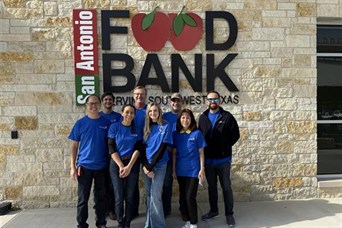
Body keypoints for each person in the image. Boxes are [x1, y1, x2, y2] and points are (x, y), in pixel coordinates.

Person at [198, 90, 240, 227]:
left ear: (219, 101)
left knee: (226, 187)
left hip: (223, 161)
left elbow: (235, 135)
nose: (213, 102)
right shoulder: (203, 117)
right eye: (210, 99)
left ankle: (229, 214)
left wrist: (225, 147)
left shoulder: (227, 117)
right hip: (209, 161)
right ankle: (214, 210)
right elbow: (200, 137)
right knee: (212, 187)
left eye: (215, 99)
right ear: (206, 102)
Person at [69, 95, 111, 228]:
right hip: (84, 166)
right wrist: (72, 166)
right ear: (86, 105)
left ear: (100, 105)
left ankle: (101, 223)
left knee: (101, 198)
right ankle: (81, 224)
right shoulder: (80, 123)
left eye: (96, 103)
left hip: (102, 167)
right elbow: (74, 146)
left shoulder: (106, 123)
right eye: (91, 103)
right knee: (82, 199)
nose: (93, 106)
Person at [108, 104, 142, 228]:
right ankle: (120, 222)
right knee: (119, 195)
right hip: (116, 163)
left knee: (130, 194)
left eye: (132, 112)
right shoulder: (114, 127)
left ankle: (127, 222)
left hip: (132, 163)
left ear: (134, 115)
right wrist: (122, 166)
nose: (129, 115)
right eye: (127, 112)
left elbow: (138, 148)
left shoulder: (137, 129)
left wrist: (129, 167)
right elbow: (111, 148)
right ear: (122, 113)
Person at [172, 109, 206, 228]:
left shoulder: (197, 133)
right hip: (181, 170)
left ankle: (193, 223)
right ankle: (188, 220)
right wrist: (173, 170)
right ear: (179, 120)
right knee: (183, 196)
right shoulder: (175, 134)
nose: (185, 120)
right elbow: (174, 153)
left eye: (188, 118)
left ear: (191, 120)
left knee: (190, 197)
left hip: (193, 170)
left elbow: (201, 152)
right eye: (183, 118)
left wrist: (202, 169)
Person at [141, 103, 172, 228]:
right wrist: (145, 165)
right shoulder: (146, 127)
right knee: (149, 194)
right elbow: (142, 148)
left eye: (155, 111)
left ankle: (159, 225)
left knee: (156, 195)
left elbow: (163, 147)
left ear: (159, 112)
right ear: (148, 114)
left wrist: (151, 166)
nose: (153, 113)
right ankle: (149, 224)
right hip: (146, 166)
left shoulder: (165, 125)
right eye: (150, 111)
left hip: (159, 165)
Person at [100, 92, 121, 220]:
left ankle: (112, 210)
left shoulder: (118, 117)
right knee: (102, 184)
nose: (108, 101)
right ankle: (103, 209)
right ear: (102, 102)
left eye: (110, 100)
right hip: (101, 154)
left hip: (114, 155)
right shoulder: (98, 116)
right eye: (106, 99)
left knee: (113, 184)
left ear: (113, 102)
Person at [162, 92, 182, 217]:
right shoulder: (164, 117)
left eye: (178, 101)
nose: (175, 103)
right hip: (168, 156)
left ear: (181, 102)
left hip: (182, 156)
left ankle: (184, 208)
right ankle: (166, 209)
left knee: (184, 184)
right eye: (173, 101)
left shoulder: (186, 116)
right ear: (170, 103)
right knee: (167, 184)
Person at [131, 85, 148, 218]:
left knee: (149, 181)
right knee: (133, 181)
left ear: (145, 95)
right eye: (137, 94)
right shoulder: (129, 111)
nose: (139, 96)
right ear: (133, 95)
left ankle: (151, 210)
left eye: (141, 94)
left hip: (148, 149)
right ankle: (134, 210)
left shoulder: (150, 110)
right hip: (133, 149)